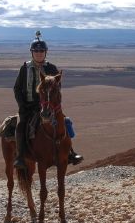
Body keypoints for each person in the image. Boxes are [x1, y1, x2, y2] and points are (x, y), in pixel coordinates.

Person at [13, 31, 84, 170]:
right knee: (20, 126)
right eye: (36, 51)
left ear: (45, 52)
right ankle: (20, 157)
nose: (39, 53)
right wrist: (22, 105)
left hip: (47, 106)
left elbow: (57, 88)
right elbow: (17, 89)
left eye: (41, 51)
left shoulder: (51, 68)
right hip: (28, 107)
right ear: (32, 52)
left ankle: (71, 153)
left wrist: (52, 103)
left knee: (64, 122)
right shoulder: (24, 68)